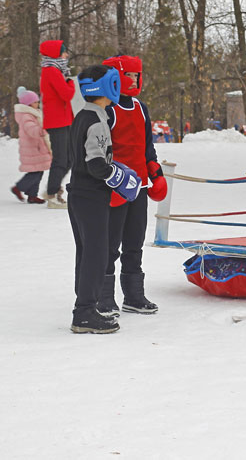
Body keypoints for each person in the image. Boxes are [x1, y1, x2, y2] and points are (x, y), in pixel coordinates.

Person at [67, 64, 140, 334]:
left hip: (78, 194)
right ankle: (84, 313)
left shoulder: (83, 115)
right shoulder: (97, 121)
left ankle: (85, 308)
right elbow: (95, 164)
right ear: (107, 87)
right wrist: (118, 177)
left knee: (87, 253)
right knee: (95, 255)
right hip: (90, 197)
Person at [99, 55, 166, 316]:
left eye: (137, 76)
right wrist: (108, 180)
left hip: (138, 187)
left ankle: (134, 295)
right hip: (114, 187)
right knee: (109, 245)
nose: (134, 80)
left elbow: (147, 146)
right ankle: (103, 297)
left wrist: (155, 172)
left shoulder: (140, 107)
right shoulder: (107, 109)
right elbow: (99, 151)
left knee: (134, 243)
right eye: (130, 75)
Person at [39, 39, 75, 209]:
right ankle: (52, 194)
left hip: (63, 120)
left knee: (69, 158)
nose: (66, 55)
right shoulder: (51, 71)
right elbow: (66, 94)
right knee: (61, 159)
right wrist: (70, 82)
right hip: (57, 121)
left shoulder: (56, 70)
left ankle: (52, 189)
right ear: (56, 54)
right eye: (64, 51)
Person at [10, 87, 51, 204]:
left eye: (38, 101)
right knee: (35, 172)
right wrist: (43, 130)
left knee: (38, 171)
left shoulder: (34, 114)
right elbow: (31, 130)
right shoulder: (26, 116)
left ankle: (32, 195)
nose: (38, 103)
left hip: (37, 147)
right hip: (33, 148)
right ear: (28, 104)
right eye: (35, 102)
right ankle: (18, 187)